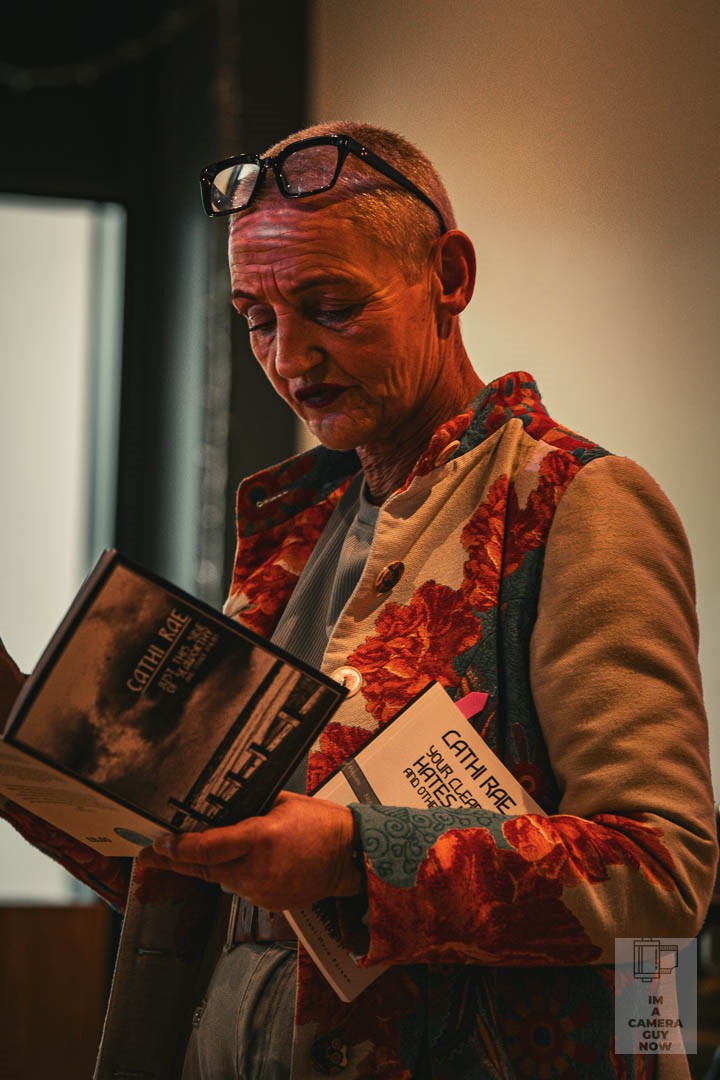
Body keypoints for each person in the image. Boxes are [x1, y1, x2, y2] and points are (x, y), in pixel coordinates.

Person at [1, 120, 717, 1080]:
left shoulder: (576, 503)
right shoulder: (294, 532)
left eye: (331, 305)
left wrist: (352, 852)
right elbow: (202, 880)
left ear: (449, 278)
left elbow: (662, 874)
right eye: (256, 317)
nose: (290, 359)